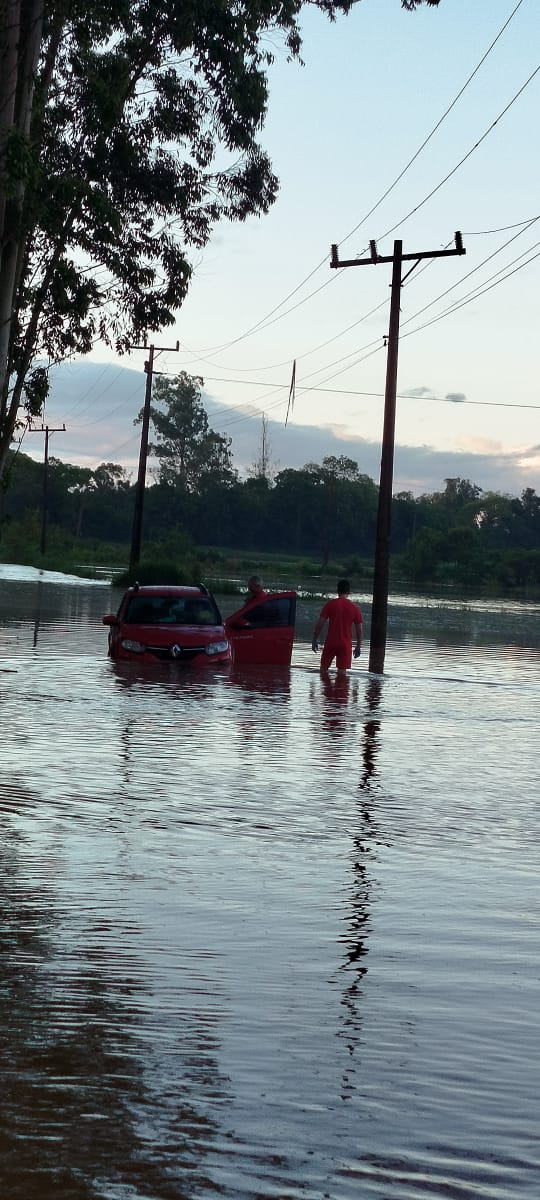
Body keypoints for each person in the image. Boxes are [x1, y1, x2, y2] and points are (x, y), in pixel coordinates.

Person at [312, 579, 362, 671]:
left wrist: (314, 639)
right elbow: (359, 630)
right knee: (342, 676)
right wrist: (358, 646)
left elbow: (320, 624)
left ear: (337, 590)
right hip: (345, 644)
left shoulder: (330, 605)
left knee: (323, 671)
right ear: (349, 592)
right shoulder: (354, 608)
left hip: (331, 643)